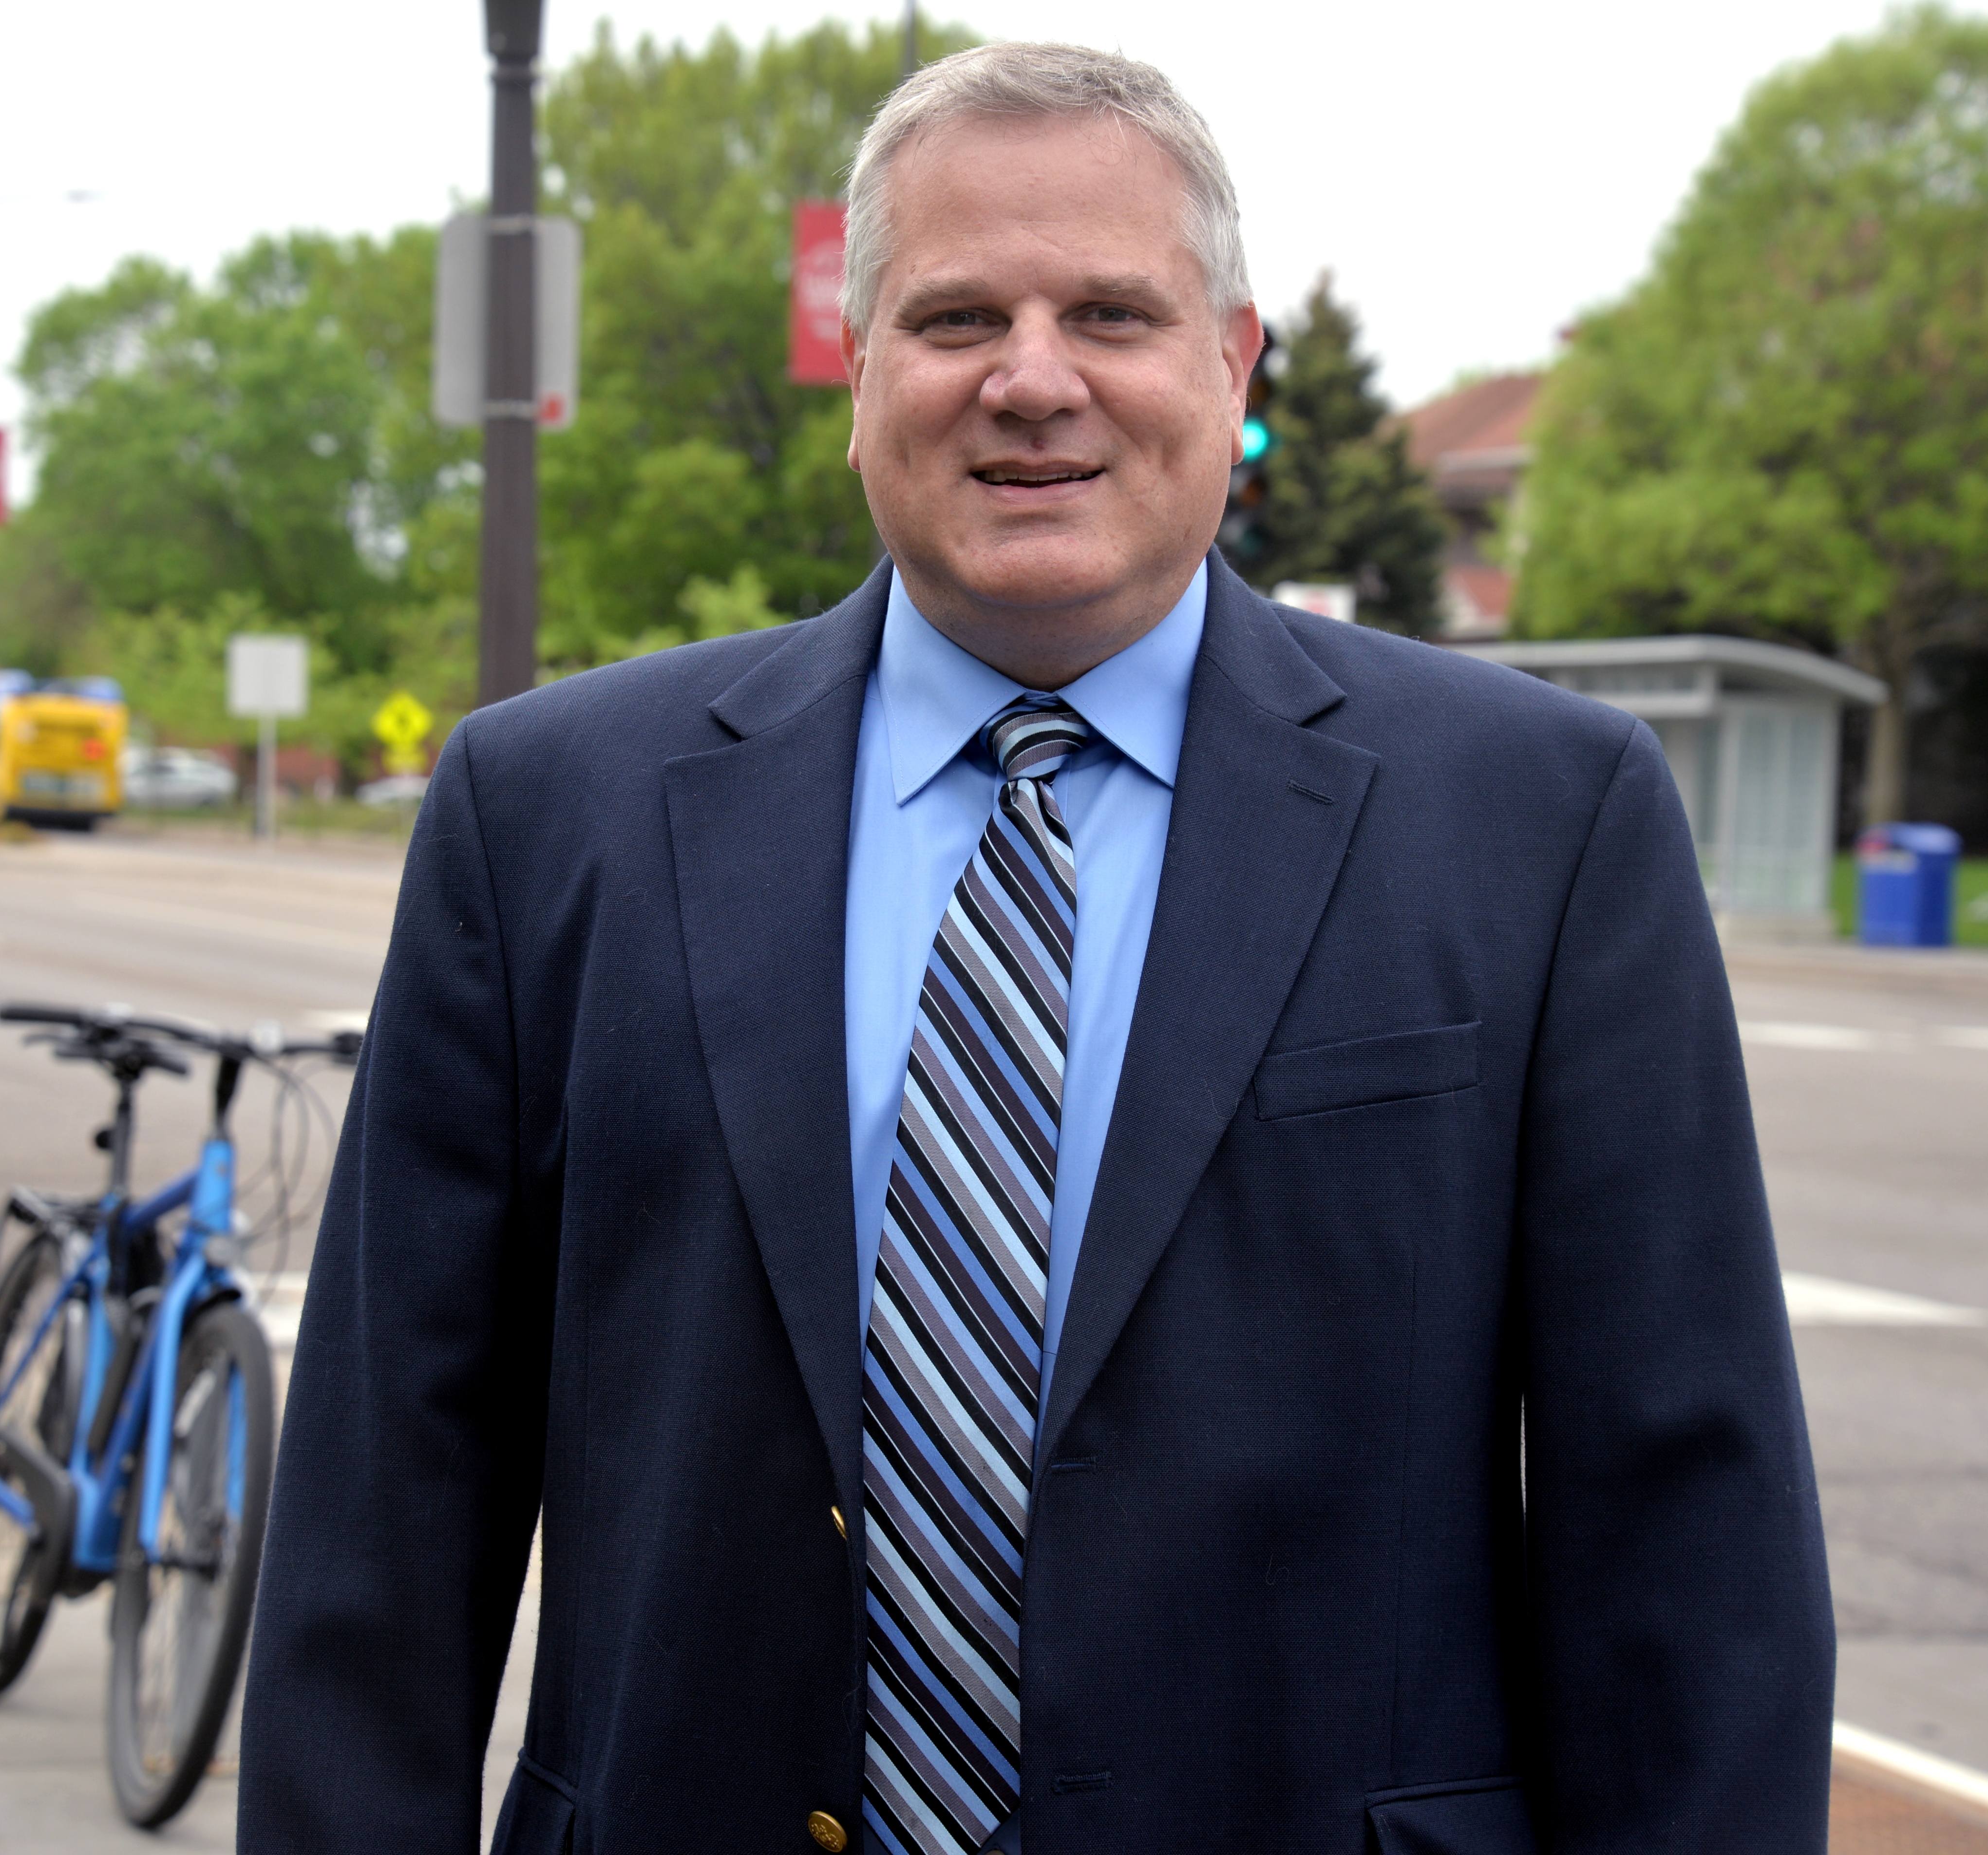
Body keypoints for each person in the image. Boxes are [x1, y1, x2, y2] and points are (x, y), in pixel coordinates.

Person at [241, 42, 1832, 1855]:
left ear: (1228, 367)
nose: (1030, 380)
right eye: (951, 318)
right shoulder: (547, 815)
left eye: (1110, 312)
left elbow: (1685, 1541)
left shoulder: (1543, 822)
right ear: (859, 374)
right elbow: (386, 1510)